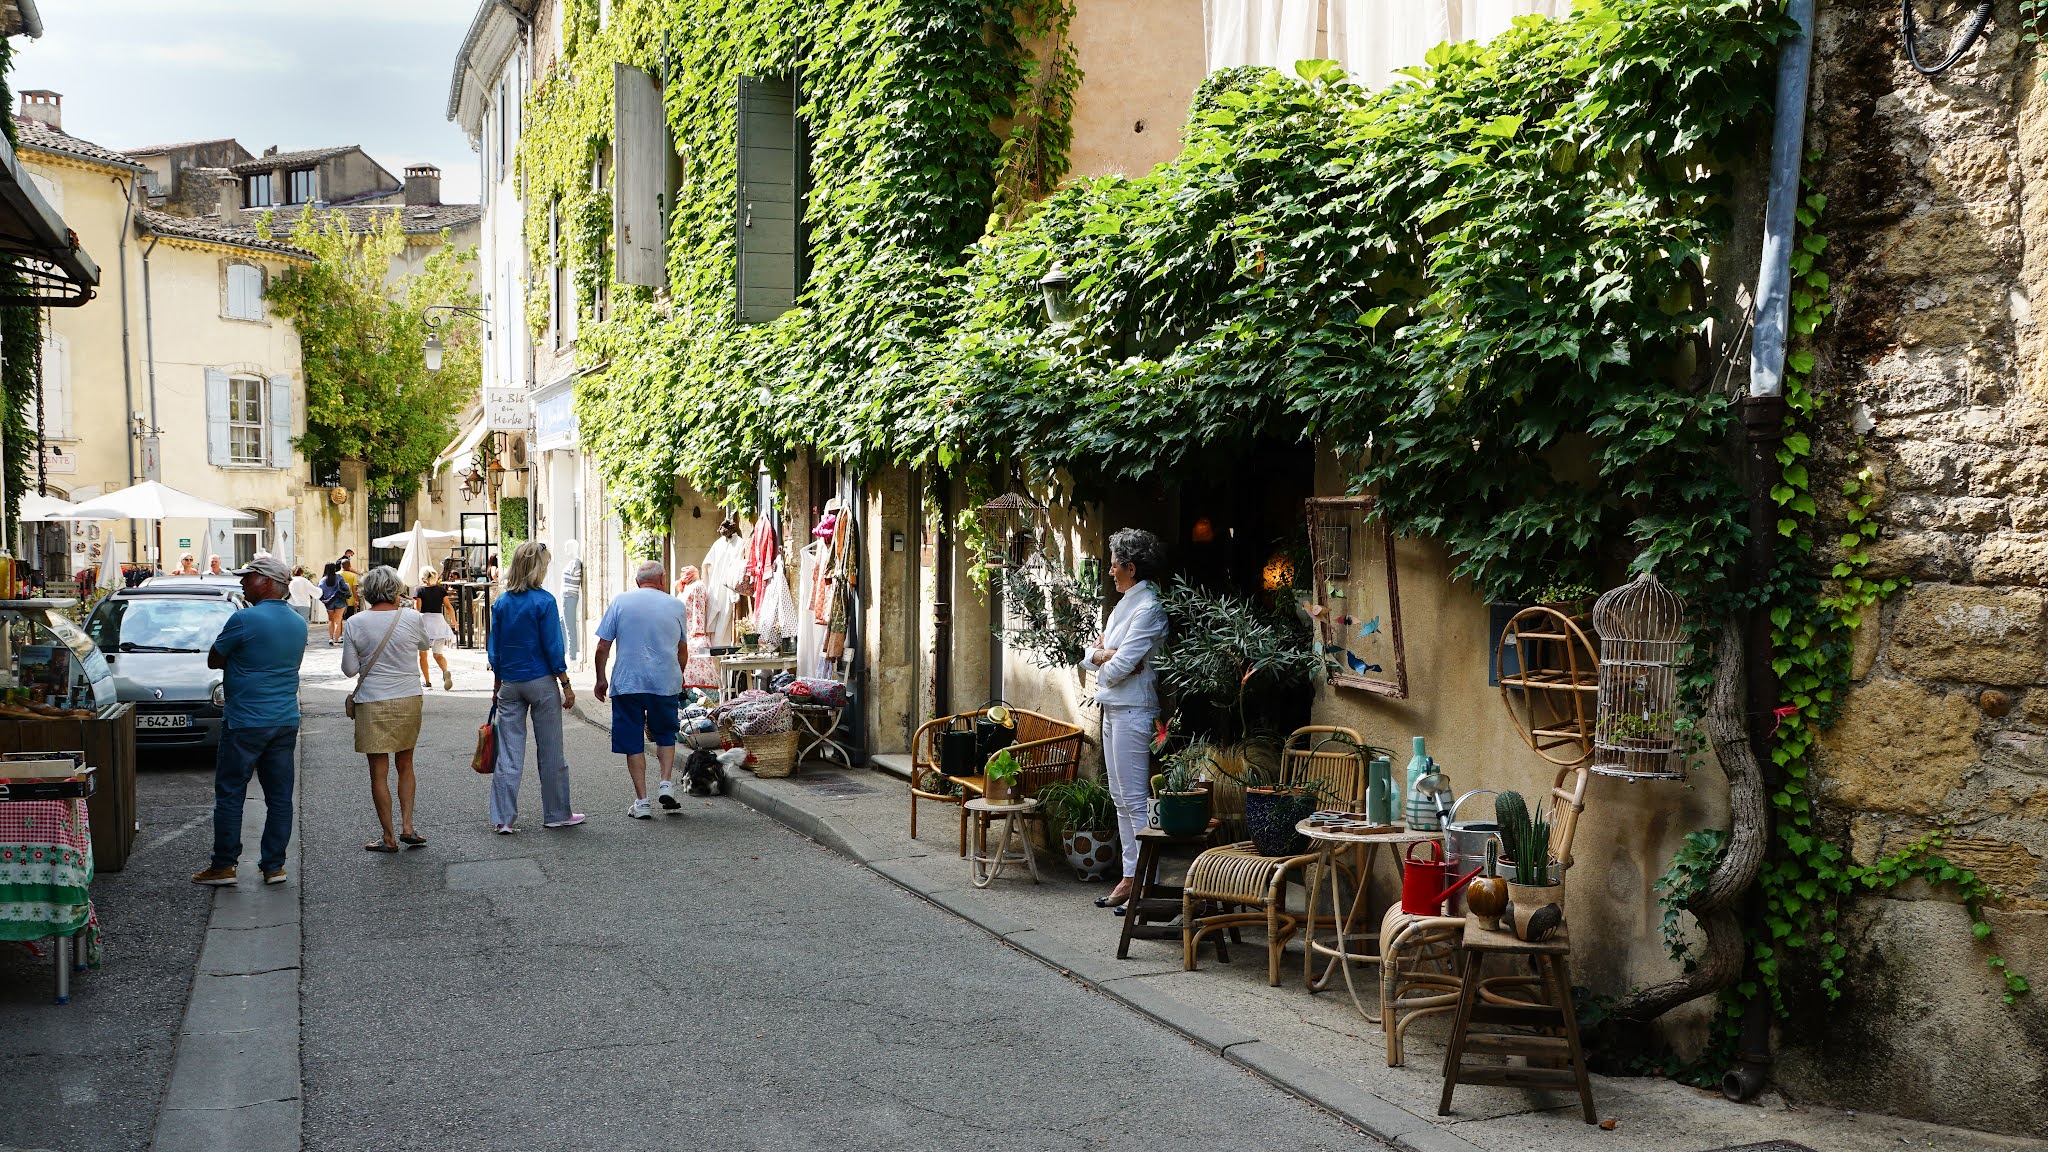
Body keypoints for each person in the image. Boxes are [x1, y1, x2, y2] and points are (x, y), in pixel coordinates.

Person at [191, 556, 308, 887]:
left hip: (245, 720)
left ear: (268, 582)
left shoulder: (243, 618)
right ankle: (274, 866)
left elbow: (215, 658)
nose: (242, 583)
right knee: (280, 797)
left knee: (230, 793)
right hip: (284, 718)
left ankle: (224, 865)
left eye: (249, 577)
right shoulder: (298, 622)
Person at [1084, 528, 1170, 911]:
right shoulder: (1123, 605)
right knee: (1120, 799)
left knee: (1135, 799)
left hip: (1135, 709)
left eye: (1114, 564)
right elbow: (1095, 657)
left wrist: (1106, 660)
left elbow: (1119, 666)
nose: (1110, 571)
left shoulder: (1148, 608)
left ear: (1131, 568)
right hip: (1114, 706)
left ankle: (1146, 881)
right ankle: (1129, 876)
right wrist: (1105, 657)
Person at [486, 541, 580, 833]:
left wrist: (497, 685)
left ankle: (503, 818)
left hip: (510, 683)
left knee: (508, 753)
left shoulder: (502, 603)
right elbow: (553, 647)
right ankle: (556, 813)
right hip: (540, 682)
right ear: (538, 568)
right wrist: (566, 683)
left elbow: (495, 649)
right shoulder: (545, 601)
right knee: (551, 751)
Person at [342, 567, 432, 853]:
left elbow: (349, 669)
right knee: (405, 764)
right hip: (408, 696)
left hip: (372, 700)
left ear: (367, 592)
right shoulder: (412, 617)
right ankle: (408, 827)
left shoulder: (355, 622)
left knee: (378, 772)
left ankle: (388, 837)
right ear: (396, 590)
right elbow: (425, 644)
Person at [594, 561, 690, 818]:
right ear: (663, 579)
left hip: (628, 683)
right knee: (665, 734)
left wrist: (600, 678)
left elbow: (603, 646)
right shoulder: (676, 605)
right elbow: (682, 650)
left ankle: (642, 801)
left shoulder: (620, 602)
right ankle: (666, 783)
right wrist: (677, 677)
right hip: (664, 682)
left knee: (632, 740)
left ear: (638, 582)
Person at [673, 565, 718, 695]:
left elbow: (698, 610)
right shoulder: (684, 587)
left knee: (695, 668)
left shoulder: (698, 586)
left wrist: (697, 632)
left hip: (693, 634)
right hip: (683, 633)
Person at [413, 567, 456, 690]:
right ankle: (445, 671)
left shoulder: (419, 590)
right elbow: (448, 606)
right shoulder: (441, 590)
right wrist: (454, 621)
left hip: (425, 623)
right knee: (438, 654)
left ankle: (427, 682)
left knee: (423, 655)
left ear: (422, 578)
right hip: (439, 623)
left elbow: (418, 609)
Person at [558, 540, 583, 665]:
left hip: (569, 597)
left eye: (567, 547)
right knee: (562, 624)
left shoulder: (576, 562)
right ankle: (561, 654)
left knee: (570, 627)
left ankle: (573, 659)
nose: (565, 549)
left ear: (573, 548)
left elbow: (574, 573)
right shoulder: (573, 562)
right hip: (566, 597)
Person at [318, 562, 349, 645]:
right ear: (334, 569)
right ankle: (336, 639)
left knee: (331, 620)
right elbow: (345, 587)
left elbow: (320, 591)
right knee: (338, 620)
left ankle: (331, 638)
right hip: (339, 600)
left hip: (328, 602)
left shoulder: (323, 580)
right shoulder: (339, 577)